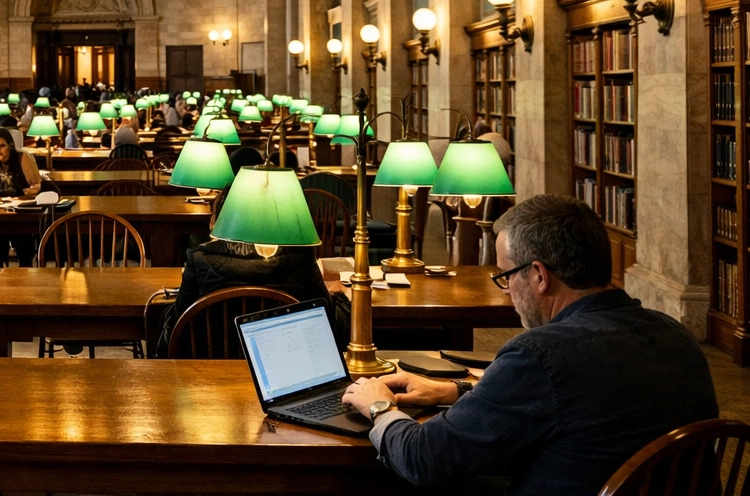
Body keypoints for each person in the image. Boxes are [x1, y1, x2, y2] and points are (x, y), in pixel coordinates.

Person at [342, 195, 718, 495]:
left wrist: (378, 404)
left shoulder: (542, 354)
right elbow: (578, 401)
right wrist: (456, 390)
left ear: (538, 275)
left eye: (506, 276)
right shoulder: (675, 334)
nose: (507, 292)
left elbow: (424, 459)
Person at [155, 189, 336, 356]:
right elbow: (328, 318)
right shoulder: (301, 258)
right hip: (285, 364)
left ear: (217, 221)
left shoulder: (199, 259)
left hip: (211, 369)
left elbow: (178, 326)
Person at [0, 127, 41, 266]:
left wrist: (27, 192)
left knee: (23, 243)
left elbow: (37, 185)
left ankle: (26, 271)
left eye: (2, 146)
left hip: (21, 212)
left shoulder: (22, 157)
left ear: (10, 145)